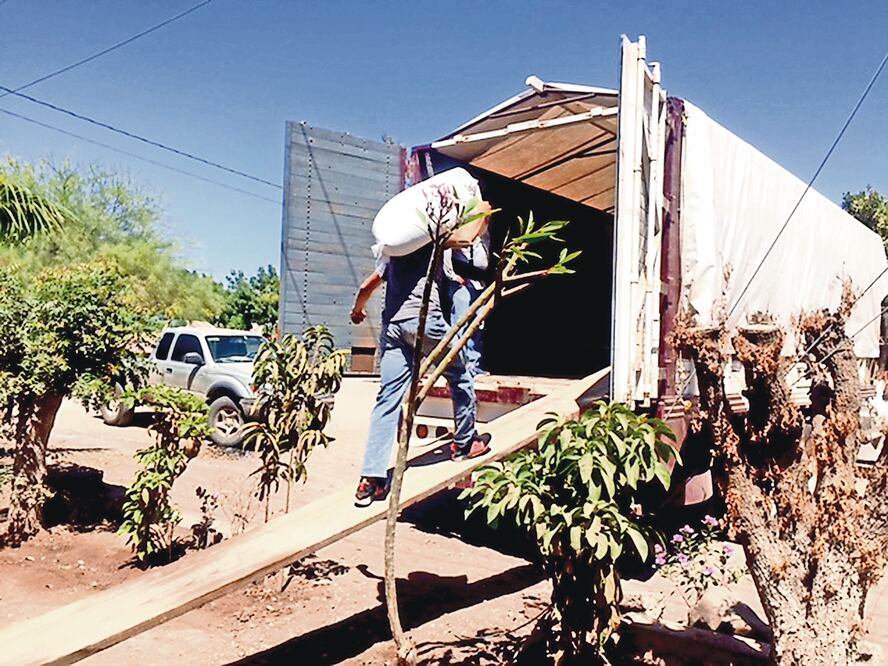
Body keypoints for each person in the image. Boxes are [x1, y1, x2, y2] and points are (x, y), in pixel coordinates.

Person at [350, 210, 493, 507]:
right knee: (460, 375)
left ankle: (371, 480)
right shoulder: (432, 242)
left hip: (393, 330)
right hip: (425, 323)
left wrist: (357, 310)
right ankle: (465, 443)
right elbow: (468, 236)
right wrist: (485, 211)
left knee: (387, 399)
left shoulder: (393, 253)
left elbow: (366, 287)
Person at [443, 227, 491, 376]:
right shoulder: (461, 231)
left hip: (479, 282)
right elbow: (445, 249)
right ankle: (459, 366)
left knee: (477, 325)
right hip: (463, 281)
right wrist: (451, 275)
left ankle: (474, 364)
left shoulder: (485, 235)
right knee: (460, 323)